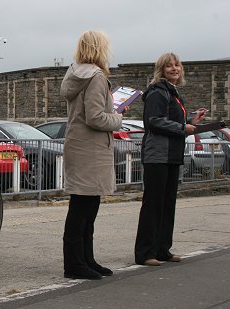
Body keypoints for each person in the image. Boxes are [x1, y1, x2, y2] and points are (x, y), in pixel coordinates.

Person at [60, 30, 124, 280]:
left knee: (84, 206)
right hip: (91, 150)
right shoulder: (96, 77)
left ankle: (85, 259)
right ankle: (75, 264)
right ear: (100, 49)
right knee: (83, 208)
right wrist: (118, 118)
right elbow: (95, 117)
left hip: (78, 145)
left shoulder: (75, 73)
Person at [134, 52, 207, 266]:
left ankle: (162, 249)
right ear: (161, 70)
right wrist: (183, 127)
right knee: (153, 204)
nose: (175, 69)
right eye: (169, 66)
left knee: (168, 204)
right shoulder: (158, 92)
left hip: (172, 155)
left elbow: (172, 120)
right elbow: (154, 121)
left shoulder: (173, 93)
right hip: (157, 155)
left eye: (177, 65)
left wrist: (190, 120)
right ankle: (145, 252)